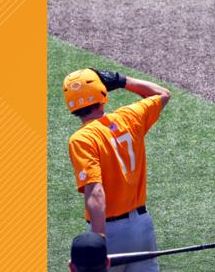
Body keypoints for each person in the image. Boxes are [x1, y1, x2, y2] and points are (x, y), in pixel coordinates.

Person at [65, 68, 170, 272]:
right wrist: (122, 80)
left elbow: (95, 192)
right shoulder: (129, 117)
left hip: (110, 233)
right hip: (142, 226)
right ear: (102, 93)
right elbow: (162, 94)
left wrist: (99, 239)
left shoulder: (82, 139)